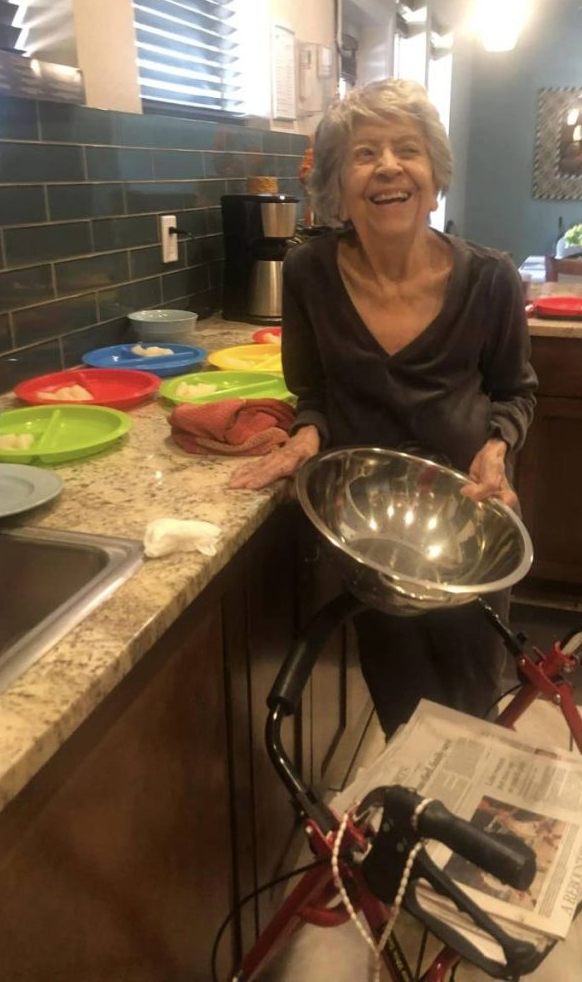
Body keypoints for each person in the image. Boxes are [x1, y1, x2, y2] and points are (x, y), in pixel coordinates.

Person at [227, 79, 537, 737]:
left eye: (408, 150)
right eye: (365, 154)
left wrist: (497, 447)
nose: (388, 166)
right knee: (402, 704)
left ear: (434, 177)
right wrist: (305, 436)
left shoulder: (491, 278)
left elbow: (516, 390)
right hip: (370, 527)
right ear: (338, 184)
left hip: (467, 521)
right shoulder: (308, 272)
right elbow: (312, 391)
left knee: (470, 703)